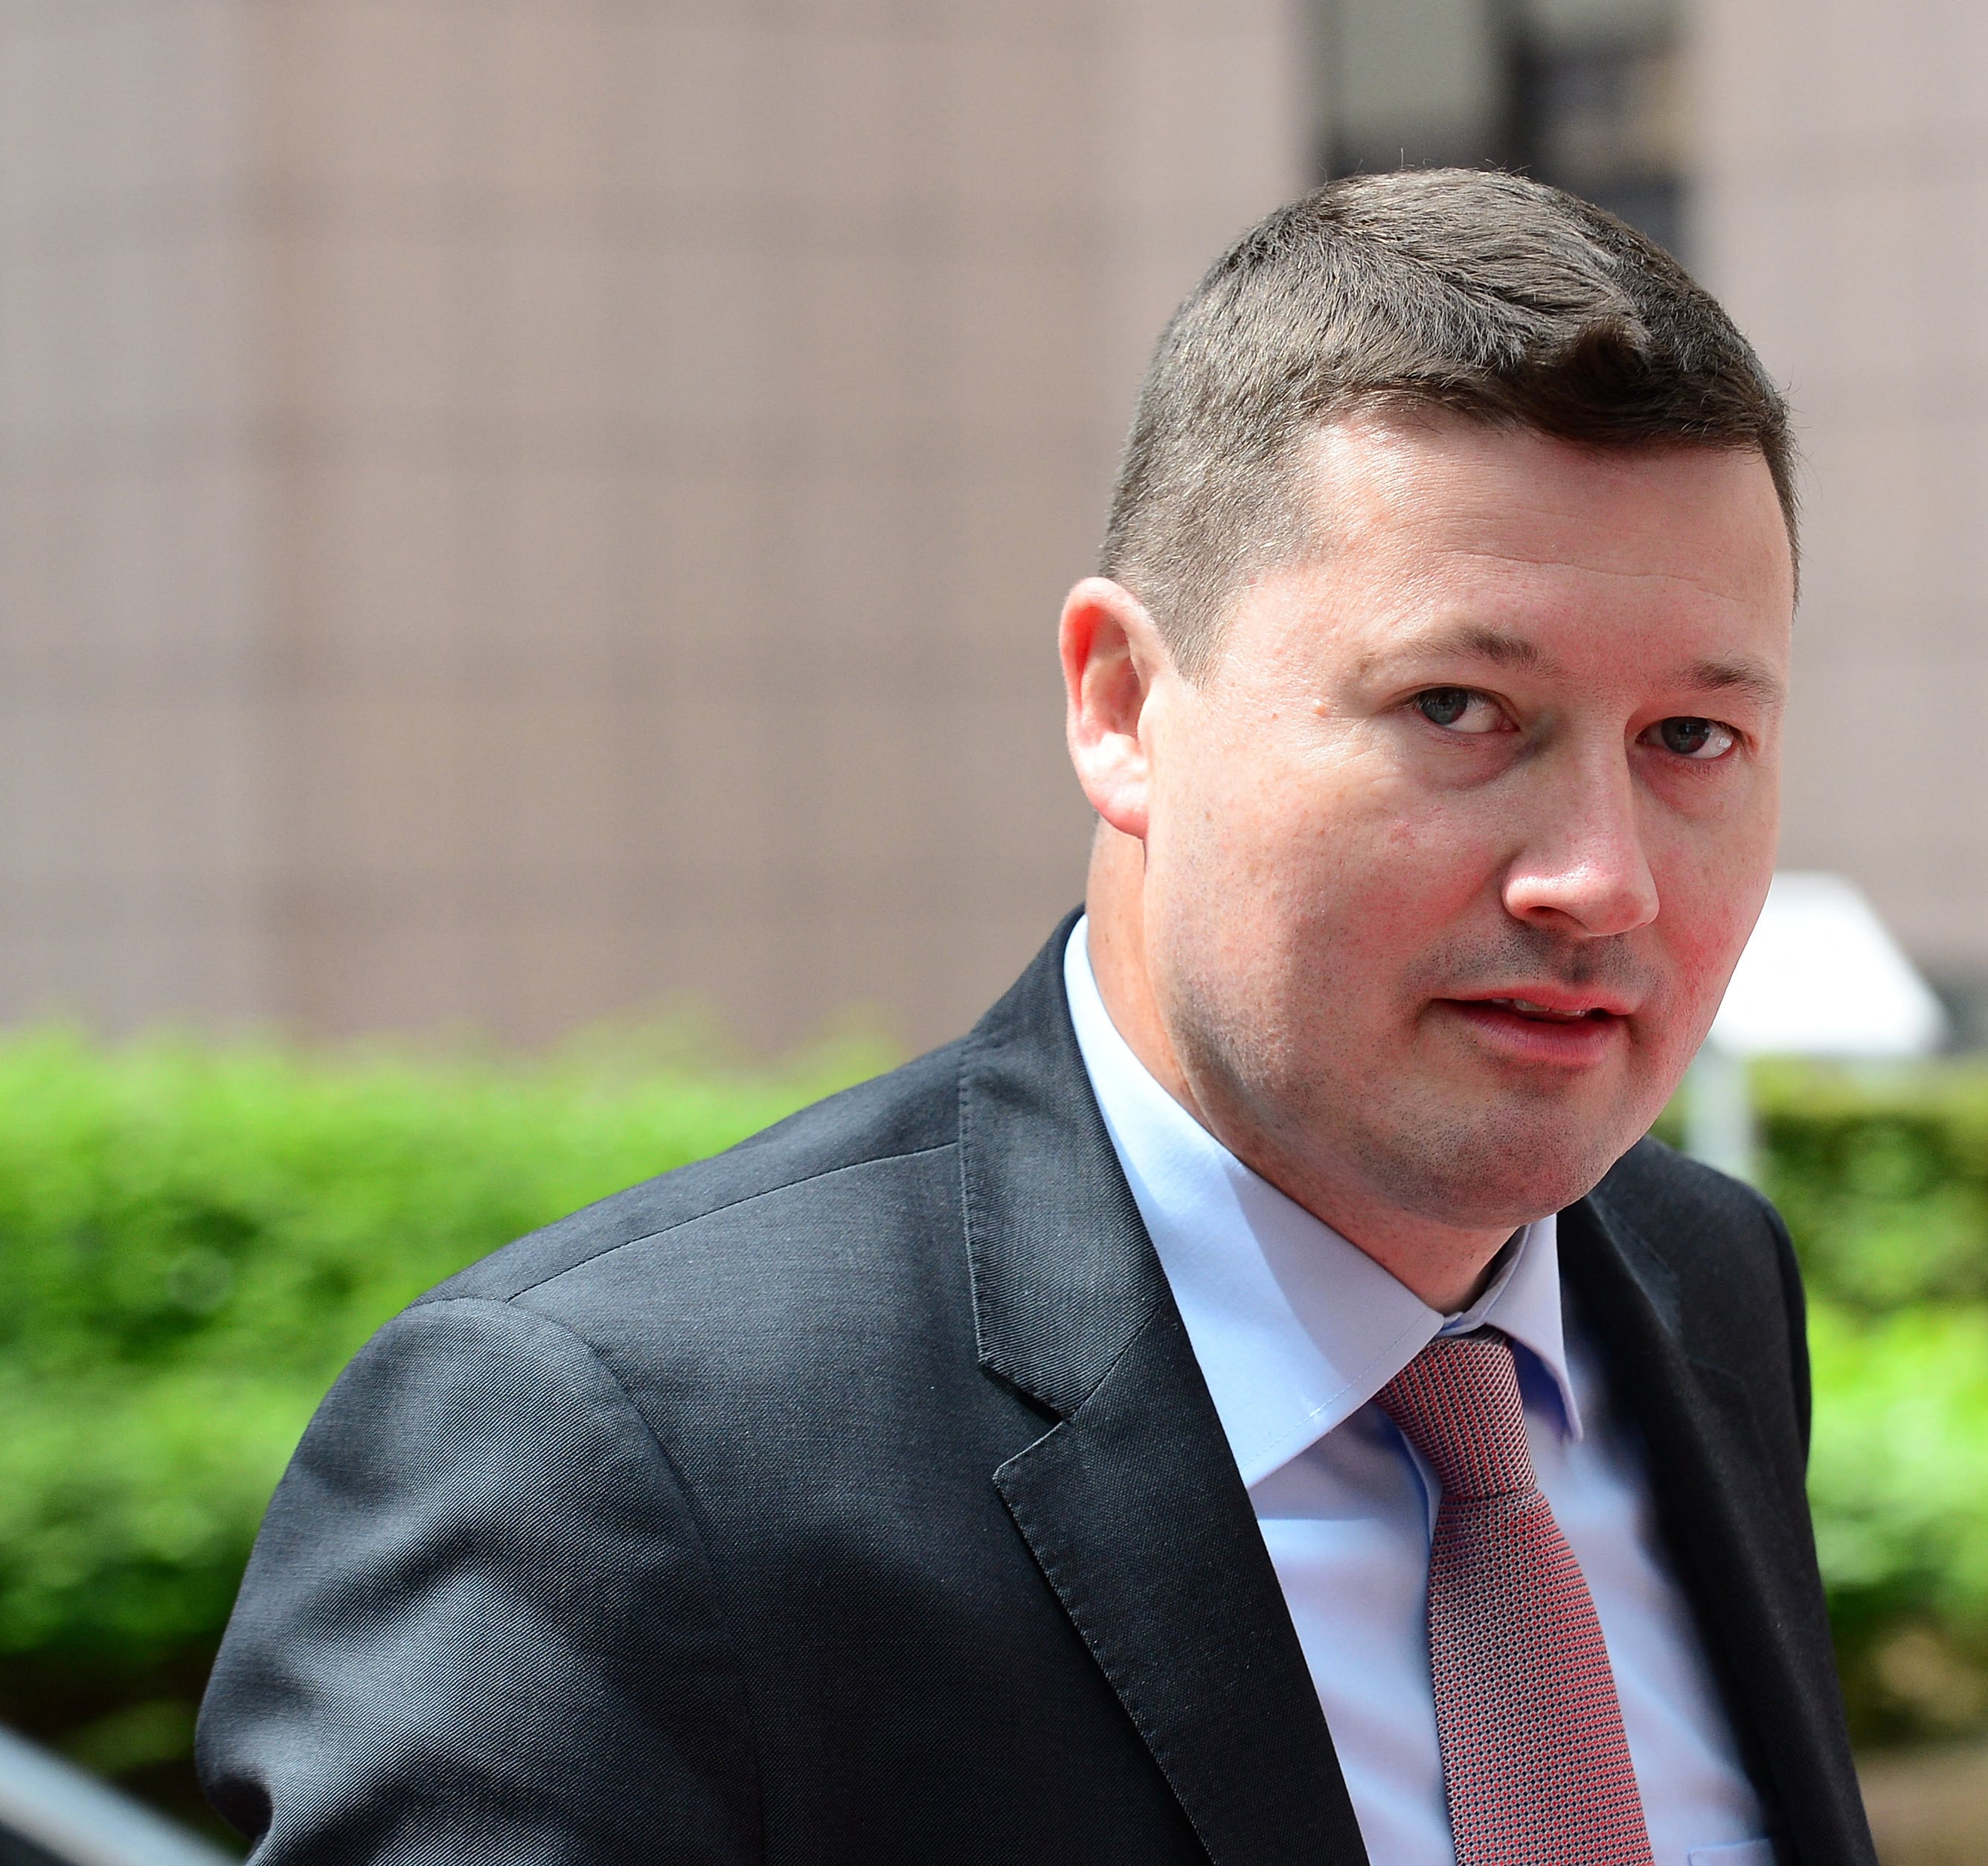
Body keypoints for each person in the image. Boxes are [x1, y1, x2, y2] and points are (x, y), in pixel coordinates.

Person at [196, 170, 1879, 1866]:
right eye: (1459, 709)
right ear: (1124, 705)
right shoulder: (601, 1467)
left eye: (1690, 741)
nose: (1598, 881)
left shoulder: (1695, 1285)